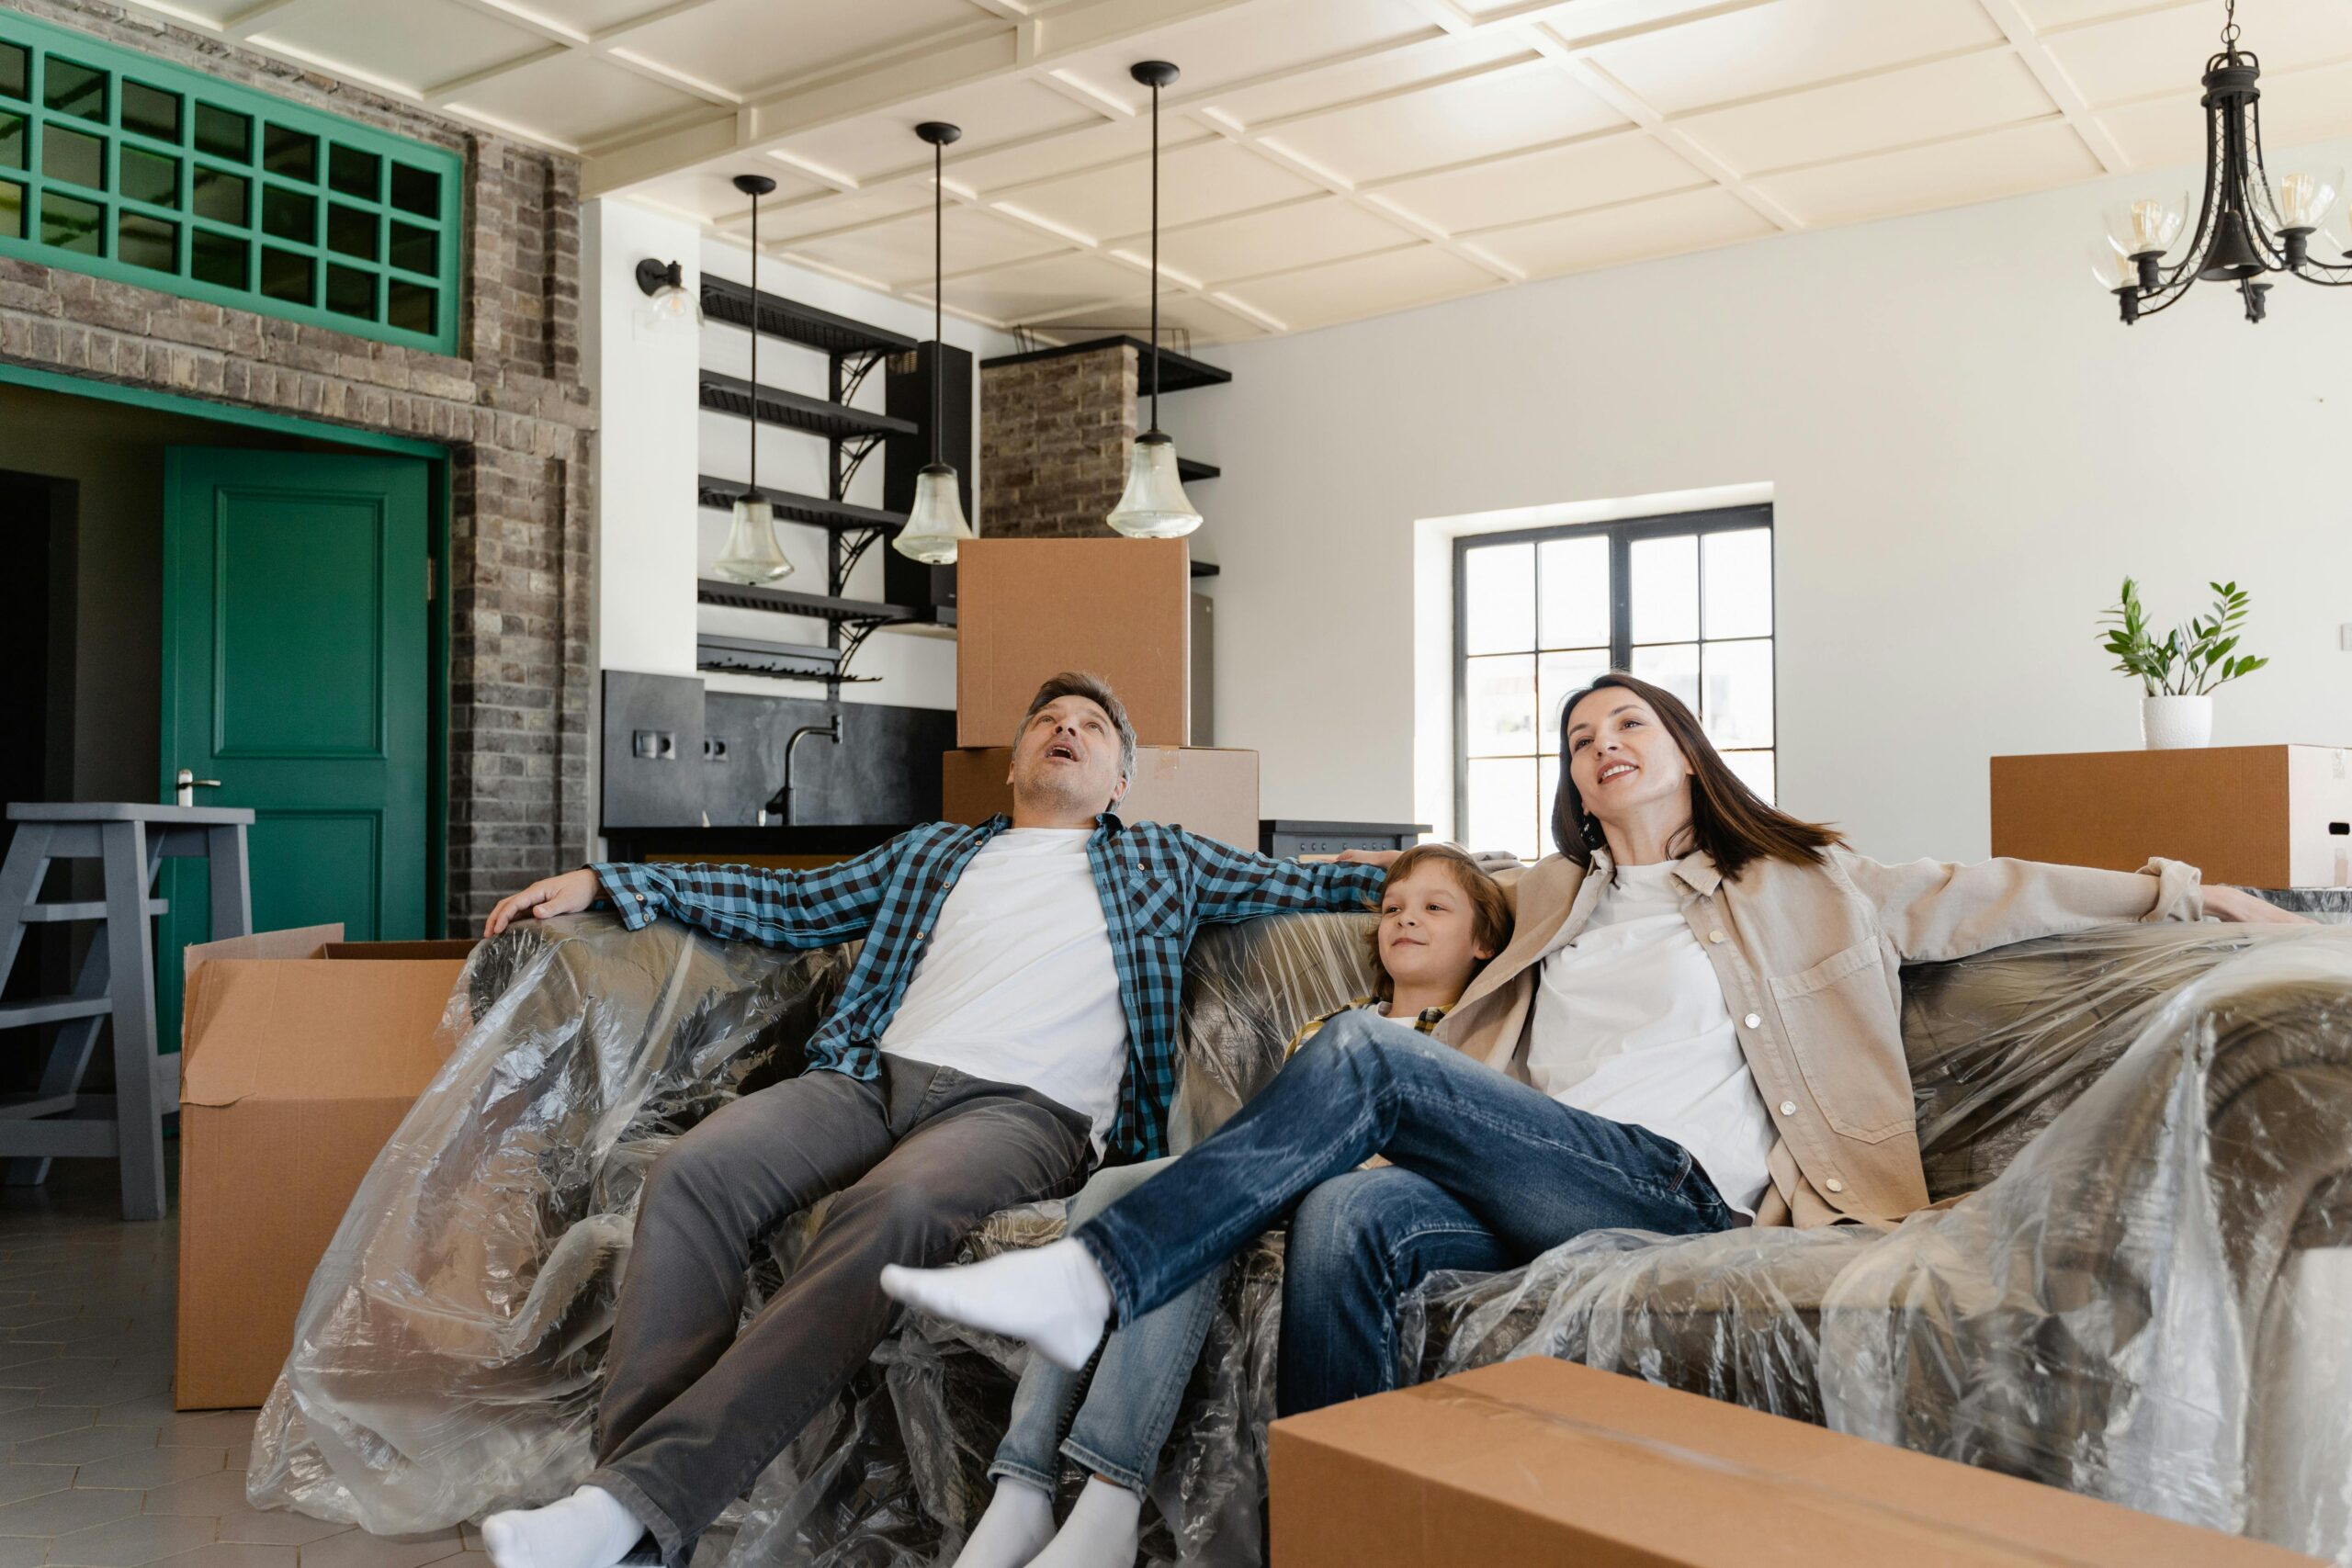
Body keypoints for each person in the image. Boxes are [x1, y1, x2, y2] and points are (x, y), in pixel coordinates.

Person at [881, 671, 2308, 1407]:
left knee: (1378, 1064)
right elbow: (1404, 886)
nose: (1602, 743)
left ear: (1686, 752)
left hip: (1670, 1190)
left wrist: (2184, 889)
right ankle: (1350, 1516)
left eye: (1629, 723)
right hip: (1525, 1180)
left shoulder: (1807, 880)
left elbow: (1995, 890)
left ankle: (1098, 1273)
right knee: (1351, 1206)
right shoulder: (1546, 897)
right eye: (1578, 736)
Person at [471, 672, 1391, 1568]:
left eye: (1092, 727)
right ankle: (625, 1527)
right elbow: (788, 902)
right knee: (690, 1176)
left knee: (888, 1212)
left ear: (1119, 782)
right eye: (1047, 720)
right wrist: (611, 884)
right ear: (1013, 763)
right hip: (868, 1081)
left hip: (1025, 1110)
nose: (1064, 728)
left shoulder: (1166, 859)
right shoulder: (934, 852)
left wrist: (1403, 876)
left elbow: (1312, 890)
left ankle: (631, 1509)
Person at [955, 846, 1511, 1568]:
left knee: (1173, 1201)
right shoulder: (1333, 1024)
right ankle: (1028, 1488)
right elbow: (1273, 1126)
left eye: (1436, 908)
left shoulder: (1482, 1028)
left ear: (1484, 940)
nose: (1406, 918)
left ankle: (1093, 1500)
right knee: (1111, 1189)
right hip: (1277, 1168)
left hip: (1366, 1193)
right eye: (1394, 906)